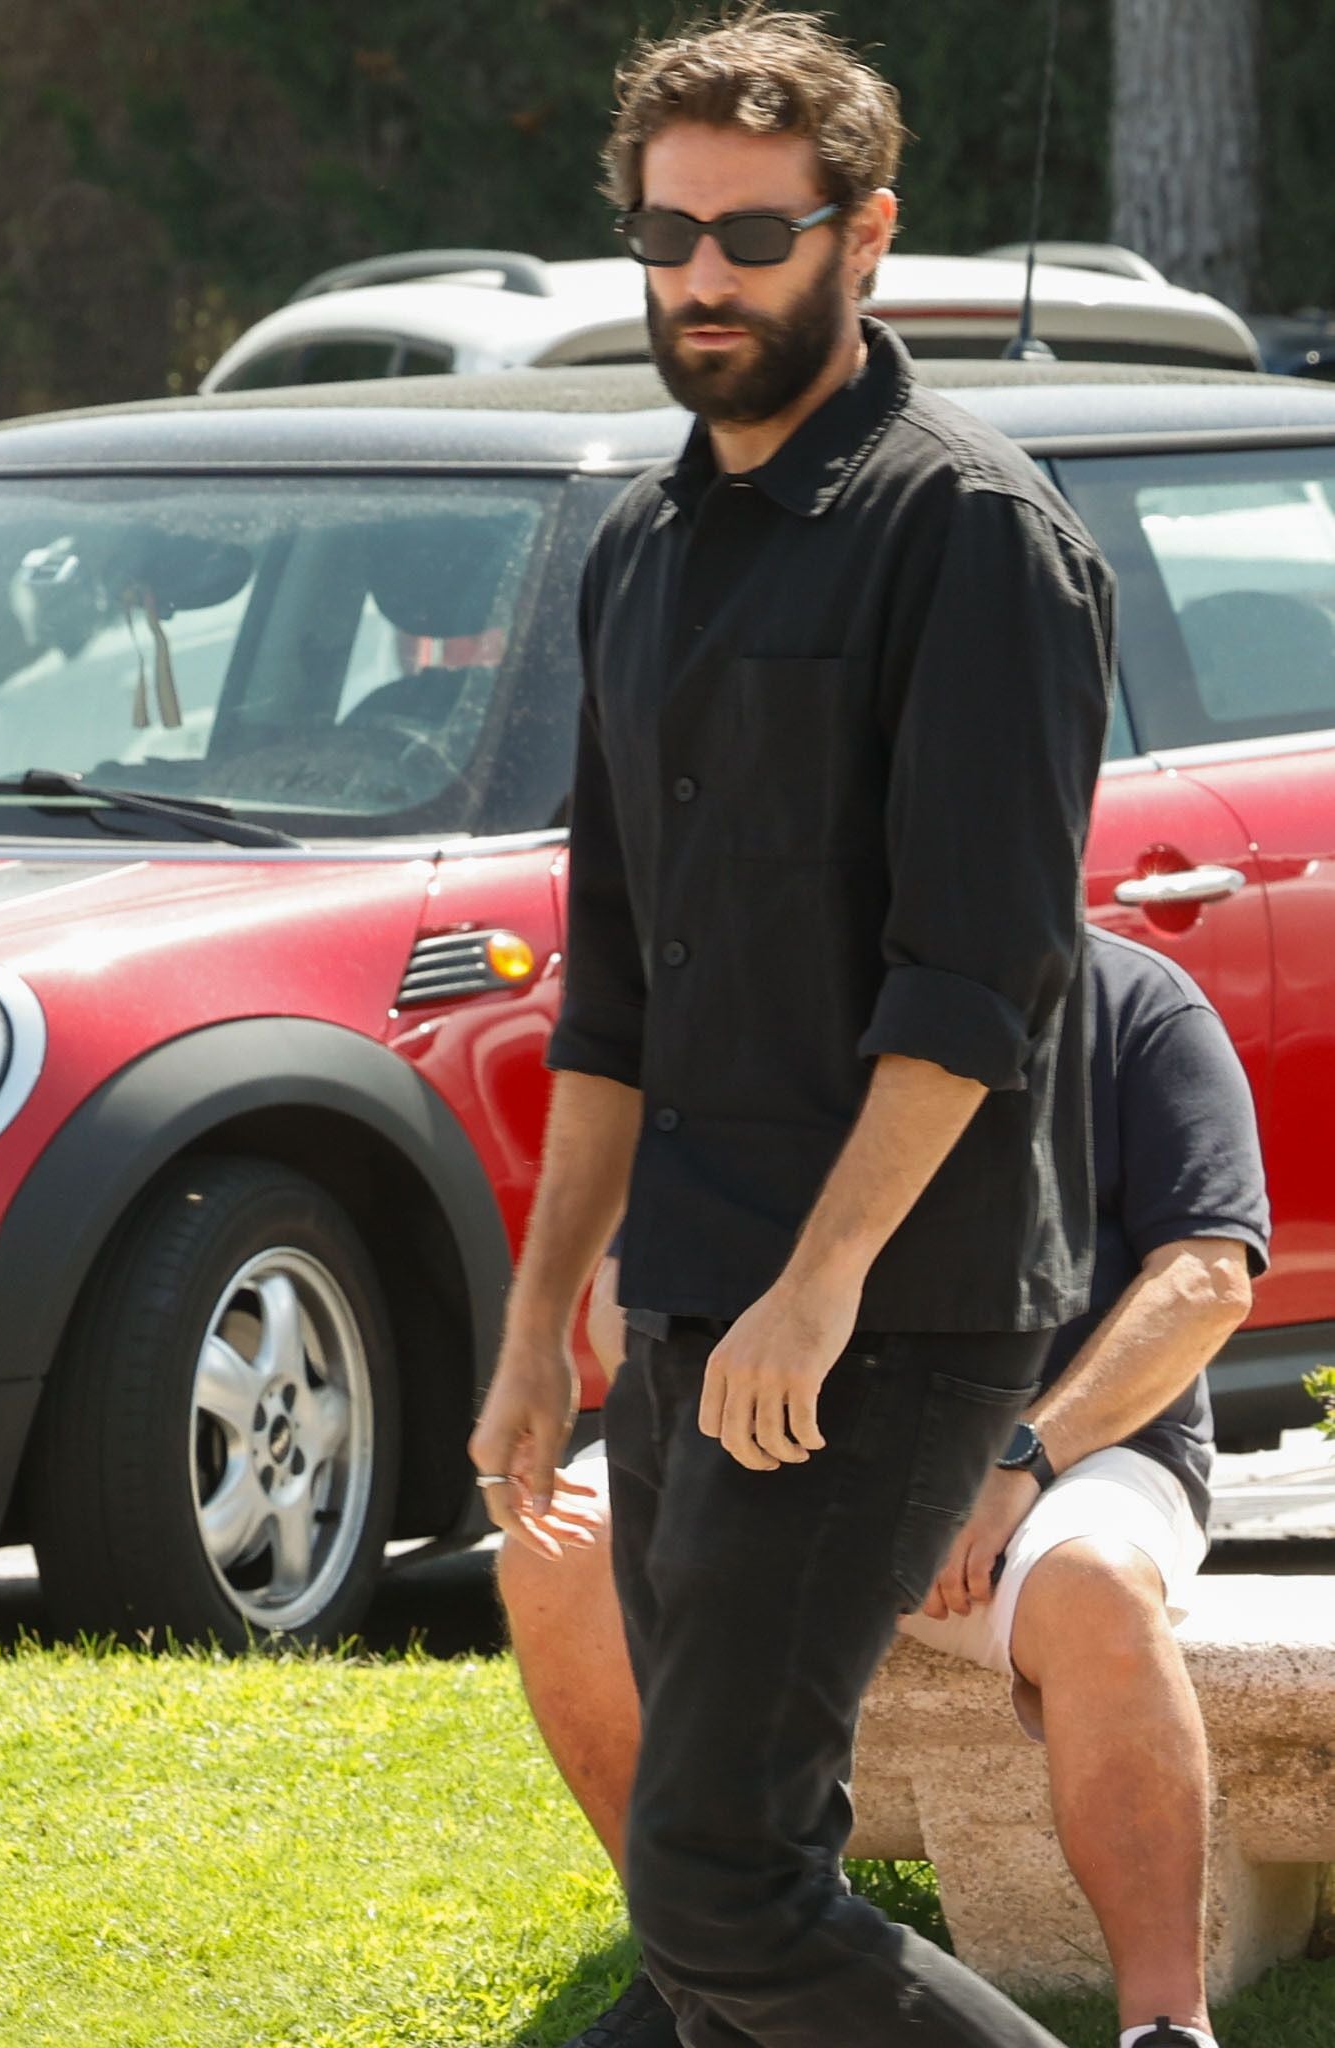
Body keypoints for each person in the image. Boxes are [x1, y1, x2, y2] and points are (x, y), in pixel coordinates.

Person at [470, 11, 1116, 2046]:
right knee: (716, 1888)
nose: (700, 278)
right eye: (663, 234)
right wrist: (533, 1314)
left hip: (884, 1307)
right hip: (683, 1299)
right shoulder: (641, 548)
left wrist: (817, 1278)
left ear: (866, 234)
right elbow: (616, 977)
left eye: (753, 234)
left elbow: (974, 971)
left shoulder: (969, 536)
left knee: (720, 1881)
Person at [501, 927, 1269, 2048]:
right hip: (806, 1456)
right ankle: (707, 1967)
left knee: (1097, 1586)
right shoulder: (769, 1021)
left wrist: (1017, 1455)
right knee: (564, 1542)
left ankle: (1165, 2021)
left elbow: (1206, 1281)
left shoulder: (1139, 1003)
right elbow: (627, 1303)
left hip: (1064, 1450)